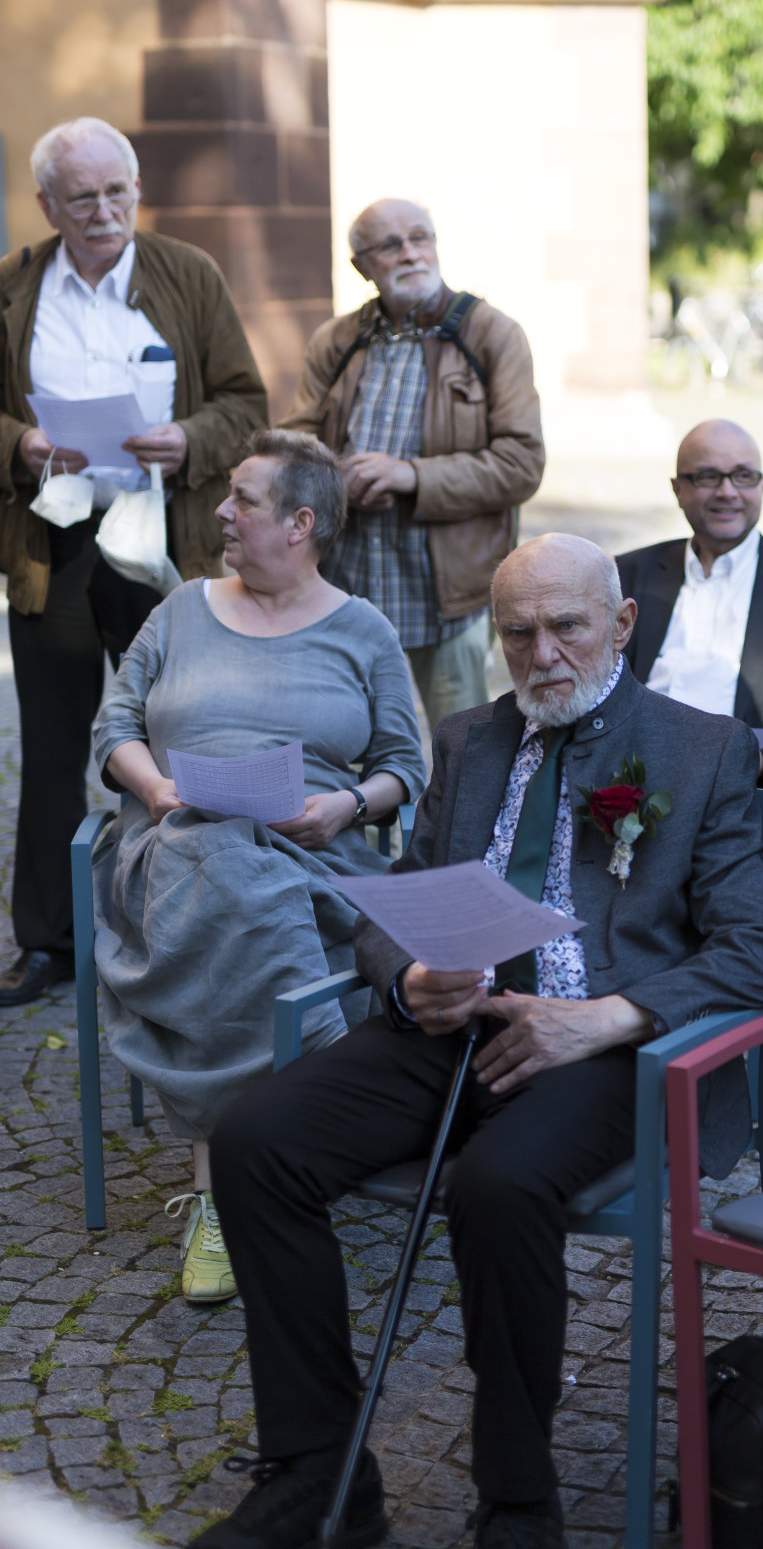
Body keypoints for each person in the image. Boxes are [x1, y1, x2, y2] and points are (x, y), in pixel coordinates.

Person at [202, 533, 763, 1549]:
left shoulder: (700, 751)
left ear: (619, 625)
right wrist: (408, 976)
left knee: (499, 1182)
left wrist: (609, 1018)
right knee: (255, 1142)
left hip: (611, 1048)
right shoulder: (469, 739)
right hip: (456, 1028)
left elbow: (760, 950)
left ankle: (518, 1498)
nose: (541, 655)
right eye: (516, 633)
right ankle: (316, 1474)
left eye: (565, 627)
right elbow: (392, 904)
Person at [92, 430, 426, 1302]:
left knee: (252, 879)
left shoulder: (364, 630)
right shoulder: (178, 610)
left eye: (243, 498)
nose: (221, 512)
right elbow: (113, 728)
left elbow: (407, 764)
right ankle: (272, 1149)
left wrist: (345, 806)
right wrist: (158, 788)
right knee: (224, 864)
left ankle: (231, 1179)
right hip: (168, 845)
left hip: (314, 855)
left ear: (301, 523)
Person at [0, 117, 268, 1007]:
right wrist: (24, 443)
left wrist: (187, 437)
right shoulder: (14, 289)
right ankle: (49, 942)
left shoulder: (186, 274)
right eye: (83, 197)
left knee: (181, 735)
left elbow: (245, 399)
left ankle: (189, 923)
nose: (106, 210)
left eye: (119, 191)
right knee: (50, 749)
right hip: (56, 542)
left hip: (167, 540)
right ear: (47, 204)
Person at [282, 198, 545, 732]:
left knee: (462, 747)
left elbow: (522, 463)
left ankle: (457, 822)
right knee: (341, 740)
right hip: (343, 586)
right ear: (362, 265)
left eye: (419, 237)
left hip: (446, 595)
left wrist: (411, 476)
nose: (409, 253)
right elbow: (297, 442)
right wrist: (339, 481)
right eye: (389, 244)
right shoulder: (335, 341)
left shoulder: (492, 335)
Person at [617, 417, 763, 924]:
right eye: (707, 476)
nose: (727, 492)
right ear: (678, 489)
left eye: (743, 476)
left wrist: (755, 760)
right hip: (630, 795)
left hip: (749, 798)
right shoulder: (626, 574)